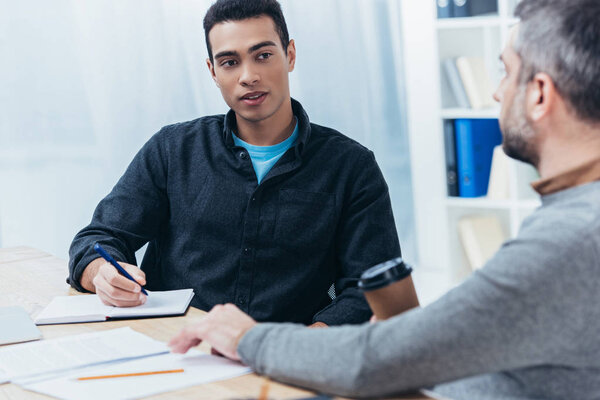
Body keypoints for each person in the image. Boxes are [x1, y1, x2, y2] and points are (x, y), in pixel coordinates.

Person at [168, 0, 600, 398]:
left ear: (540, 94)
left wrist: (245, 337)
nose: (497, 93)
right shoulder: (575, 220)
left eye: (506, 73)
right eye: (229, 61)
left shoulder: (570, 239)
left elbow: (377, 360)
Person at [67, 0, 419, 327]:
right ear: (213, 71)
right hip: (176, 350)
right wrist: (102, 274)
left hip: (283, 364)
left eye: (263, 55)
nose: (248, 76)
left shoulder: (350, 167)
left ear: (290, 55)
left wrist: (310, 344)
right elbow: (99, 238)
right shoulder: (173, 150)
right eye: (230, 62)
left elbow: (370, 290)